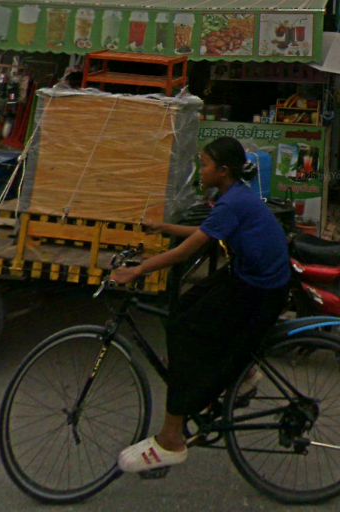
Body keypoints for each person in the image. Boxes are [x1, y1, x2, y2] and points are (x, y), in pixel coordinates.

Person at [111, 136, 290, 472]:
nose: (200, 170)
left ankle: (171, 440)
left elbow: (184, 252)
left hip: (261, 290)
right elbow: (204, 231)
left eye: (205, 164)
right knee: (183, 309)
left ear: (223, 171)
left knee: (188, 337)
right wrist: (163, 227)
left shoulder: (232, 203)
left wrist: (137, 270)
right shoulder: (231, 196)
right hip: (247, 274)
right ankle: (240, 374)